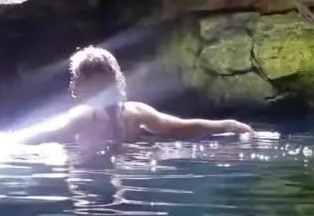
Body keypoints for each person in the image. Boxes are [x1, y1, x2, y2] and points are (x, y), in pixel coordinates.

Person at [25, 46, 253, 149]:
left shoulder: (134, 114)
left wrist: (227, 125)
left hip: (107, 170)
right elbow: (39, 138)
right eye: (97, 85)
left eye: (103, 84)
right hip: (97, 171)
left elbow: (180, 127)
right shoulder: (82, 118)